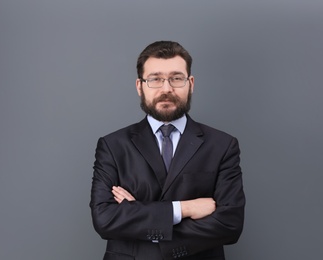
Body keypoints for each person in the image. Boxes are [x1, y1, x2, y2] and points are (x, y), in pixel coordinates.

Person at [90, 41, 245, 260]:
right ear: (139, 85)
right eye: (155, 79)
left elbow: (230, 223)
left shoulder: (222, 145)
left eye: (176, 78)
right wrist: (184, 209)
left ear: (190, 83)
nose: (166, 89)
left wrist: (138, 215)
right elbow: (104, 219)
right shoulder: (113, 145)